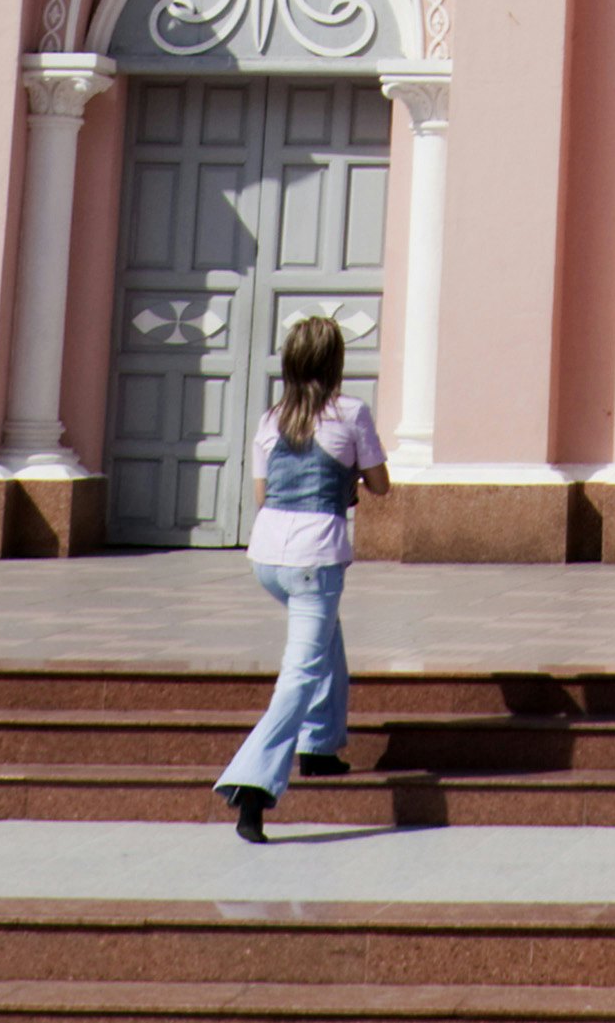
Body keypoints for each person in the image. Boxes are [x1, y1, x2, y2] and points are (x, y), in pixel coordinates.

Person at [215, 312, 388, 844]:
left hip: (267, 556)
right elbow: (380, 484)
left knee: (325, 640)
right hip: (315, 557)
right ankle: (253, 783)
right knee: (301, 670)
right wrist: (347, 478)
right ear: (336, 364)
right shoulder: (351, 413)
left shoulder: (271, 419)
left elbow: (264, 494)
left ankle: (320, 744)